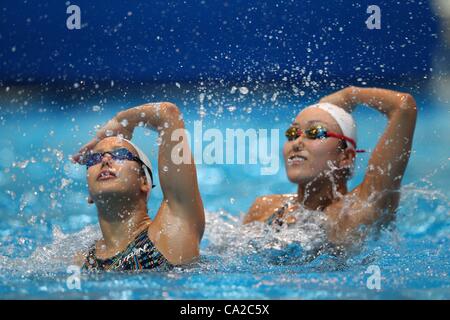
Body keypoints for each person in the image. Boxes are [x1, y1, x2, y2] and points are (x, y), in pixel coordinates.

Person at [243, 86, 417, 250]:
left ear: (346, 157)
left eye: (316, 133)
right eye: (292, 134)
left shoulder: (359, 210)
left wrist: (349, 95)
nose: (296, 143)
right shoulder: (264, 208)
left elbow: (403, 106)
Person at [71, 102, 205, 271]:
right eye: (94, 159)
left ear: (144, 181)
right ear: (89, 193)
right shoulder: (81, 261)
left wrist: (122, 120)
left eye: (119, 154)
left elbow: (168, 114)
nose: (105, 160)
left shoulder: (170, 234)